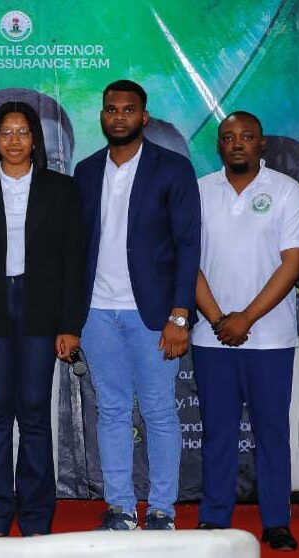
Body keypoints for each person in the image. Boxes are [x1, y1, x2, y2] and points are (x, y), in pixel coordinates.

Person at [0, 101, 84, 536]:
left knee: (34, 414)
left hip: (40, 309)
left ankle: (36, 519)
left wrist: (70, 325)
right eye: (5, 132)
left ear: (35, 140)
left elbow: (73, 261)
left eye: (22, 132)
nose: (14, 140)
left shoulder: (61, 189)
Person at [74, 79, 200, 531]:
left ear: (143, 117)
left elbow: (189, 245)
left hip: (154, 315)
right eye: (111, 109)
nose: (119, 117)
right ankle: (121, 508)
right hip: (96, 313)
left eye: (129, 110)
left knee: (159, 411)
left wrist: (180, 315)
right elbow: (75, 249)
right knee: (110, 411)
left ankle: (162, 509)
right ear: (102, 116)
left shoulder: (173, 168)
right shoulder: (86, 171)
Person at [192, 112, 299, 550]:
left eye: (246, 136)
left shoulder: (287, 191)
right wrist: (219, 319)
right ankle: (214, 518)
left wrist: (245, 318)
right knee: (217, 432)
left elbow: (293, 263)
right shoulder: (200, 191)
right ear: (218, 146)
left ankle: (276, 521)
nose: (237, 143)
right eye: (228, 137)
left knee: (271, 433)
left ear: (262, 144)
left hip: (271, 338)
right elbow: (188, 261)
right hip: (211, 336)